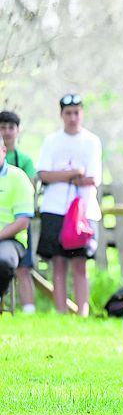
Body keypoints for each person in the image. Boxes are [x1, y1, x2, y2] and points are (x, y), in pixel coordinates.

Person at [36, 94, 102, 317]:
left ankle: (83, 311)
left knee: (80, 263)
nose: (73, 118)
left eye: (76, 112)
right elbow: (44, 174)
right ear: (61, 115)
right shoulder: (51, 141)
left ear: (81, 113)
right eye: (68, 113)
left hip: (83, 210)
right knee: (58, 262)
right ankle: (61, 310)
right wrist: (72, 173)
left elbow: (92, 178)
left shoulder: (92, 141)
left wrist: (62, 175)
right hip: (54, 207)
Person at [0, 110, 38, 313]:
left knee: (23, 268)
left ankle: (29, 309)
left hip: (20, 220)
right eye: (2, 127)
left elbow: (30, 188)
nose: (6, 131)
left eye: (10, 127)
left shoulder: (23, 162)